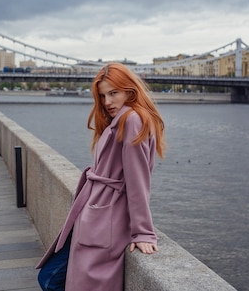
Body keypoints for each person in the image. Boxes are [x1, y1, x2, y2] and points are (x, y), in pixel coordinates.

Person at [37, 63, 166, 291]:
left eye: (114, 93)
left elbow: (138, 182)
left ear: (130, 90)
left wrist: (143, 232)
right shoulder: (122, 120)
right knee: (51, 278)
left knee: (50, 279)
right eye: (103, 95)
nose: (107, 102)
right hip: (94, 213)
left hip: (105, 217)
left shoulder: (132, 120)